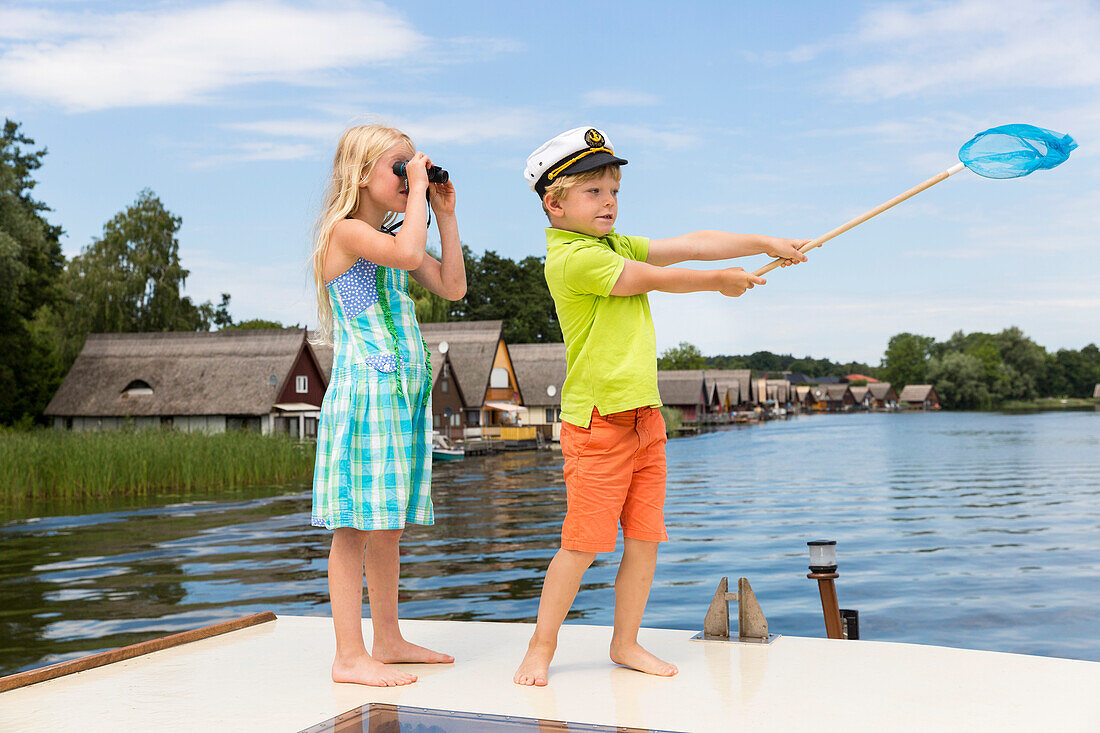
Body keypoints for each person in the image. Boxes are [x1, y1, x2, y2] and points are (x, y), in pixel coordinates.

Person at [514, 126, 807, 686]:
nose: (610, 203)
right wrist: (719, 282)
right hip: (598, 423)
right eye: (594, 192)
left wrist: (764, 243)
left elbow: (694, 242)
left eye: (615, 191)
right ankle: (540, 645)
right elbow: (650, 279)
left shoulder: (611, 243)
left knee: (645, 541)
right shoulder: (573, 259)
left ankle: (625, 644)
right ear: (554, 204)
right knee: (581, 546)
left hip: (645, 419)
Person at [310, 124, 466, 687]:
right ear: (361, 174)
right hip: (364, 393)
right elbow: (405, 253)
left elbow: (452, 286)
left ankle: (389, 638)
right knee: (352, 526)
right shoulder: (346, 232)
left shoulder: (401, 235)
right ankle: (349, 655)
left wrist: (444, 214)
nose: (409, 176)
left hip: (401, 398)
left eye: (412, 167)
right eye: (399, 168)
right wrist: (421, 191)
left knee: (387, 526)